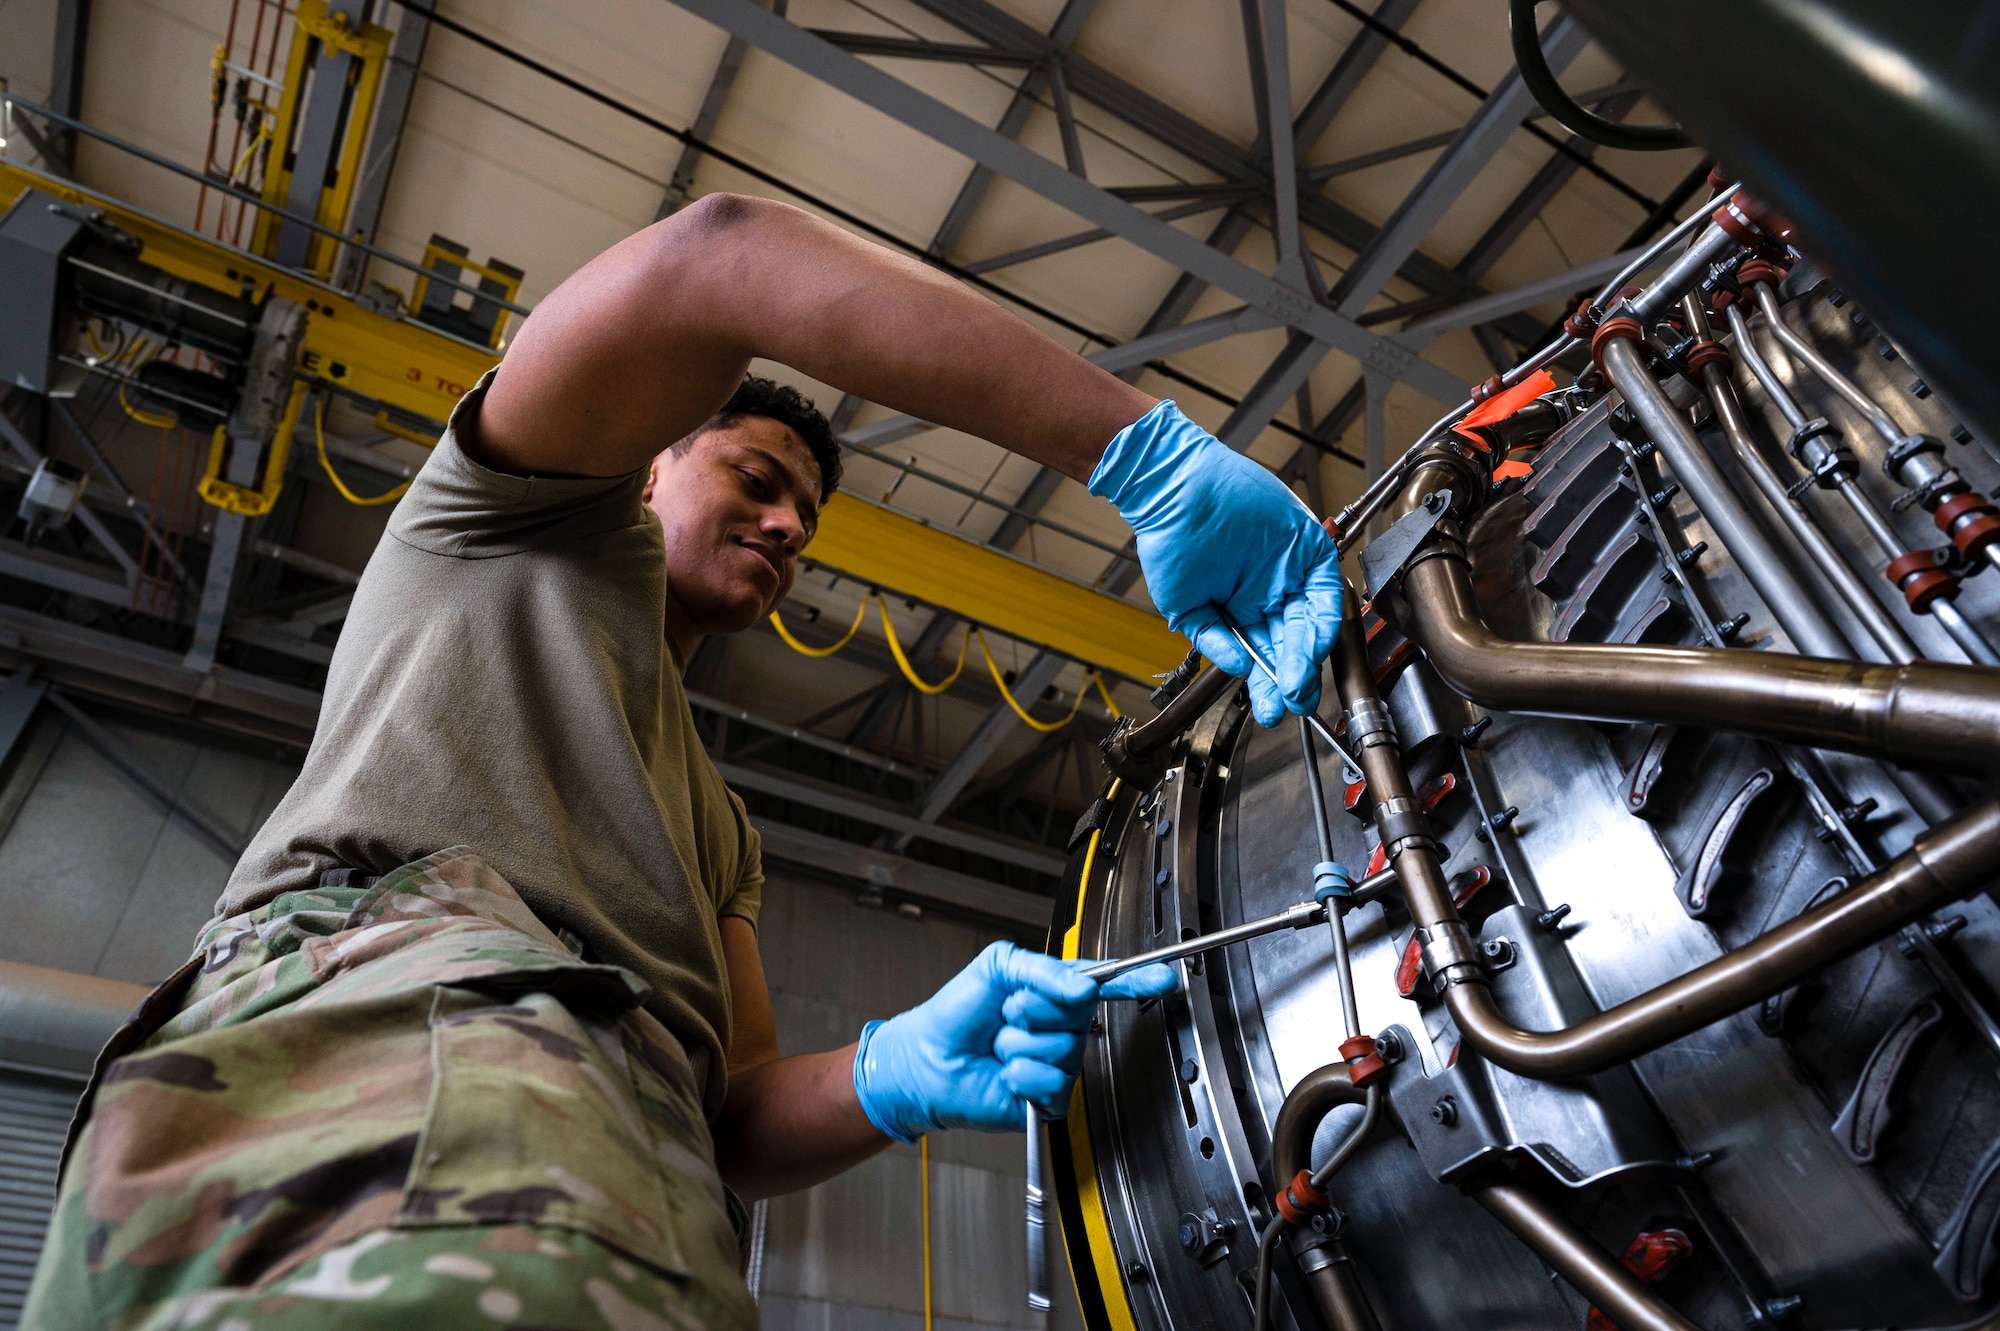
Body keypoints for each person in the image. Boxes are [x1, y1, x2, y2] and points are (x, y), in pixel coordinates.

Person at [22, 193, 1343, 1329]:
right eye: (757, 477)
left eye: (808, 521)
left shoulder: (719, 829)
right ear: (642, 463)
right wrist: (1142, 457)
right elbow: (720, 256)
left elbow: (734, 1116)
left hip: (626, 1160)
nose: (785, 524)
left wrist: (892, 1071)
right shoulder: (500, 526)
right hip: (395, 1056)